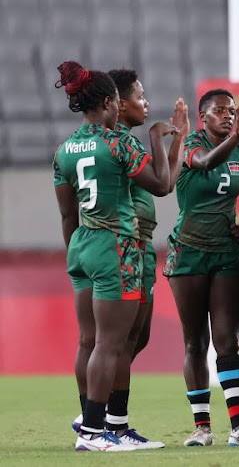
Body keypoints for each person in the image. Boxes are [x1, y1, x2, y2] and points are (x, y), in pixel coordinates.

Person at [52, 61, 174, 451]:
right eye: (118, 102)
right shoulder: (117, 142)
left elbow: (67, 214)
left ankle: (101, 425)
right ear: (108, 103)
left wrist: (77, 256)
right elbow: (160, 184)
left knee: (88, 341)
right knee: (111, 343)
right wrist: (159, 137)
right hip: (114, 245)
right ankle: (93, 432)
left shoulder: (65, 150)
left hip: (82, 245)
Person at [164, 89, 239, 446]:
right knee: (195, 342)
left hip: (226, 254)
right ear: (203, 117)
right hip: (189, 254)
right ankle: (202, 428)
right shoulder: (190, 144)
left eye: (232, 111)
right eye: (220, 111)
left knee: (227, 341)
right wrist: (237, 135)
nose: (228, 115)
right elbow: (207, 162)